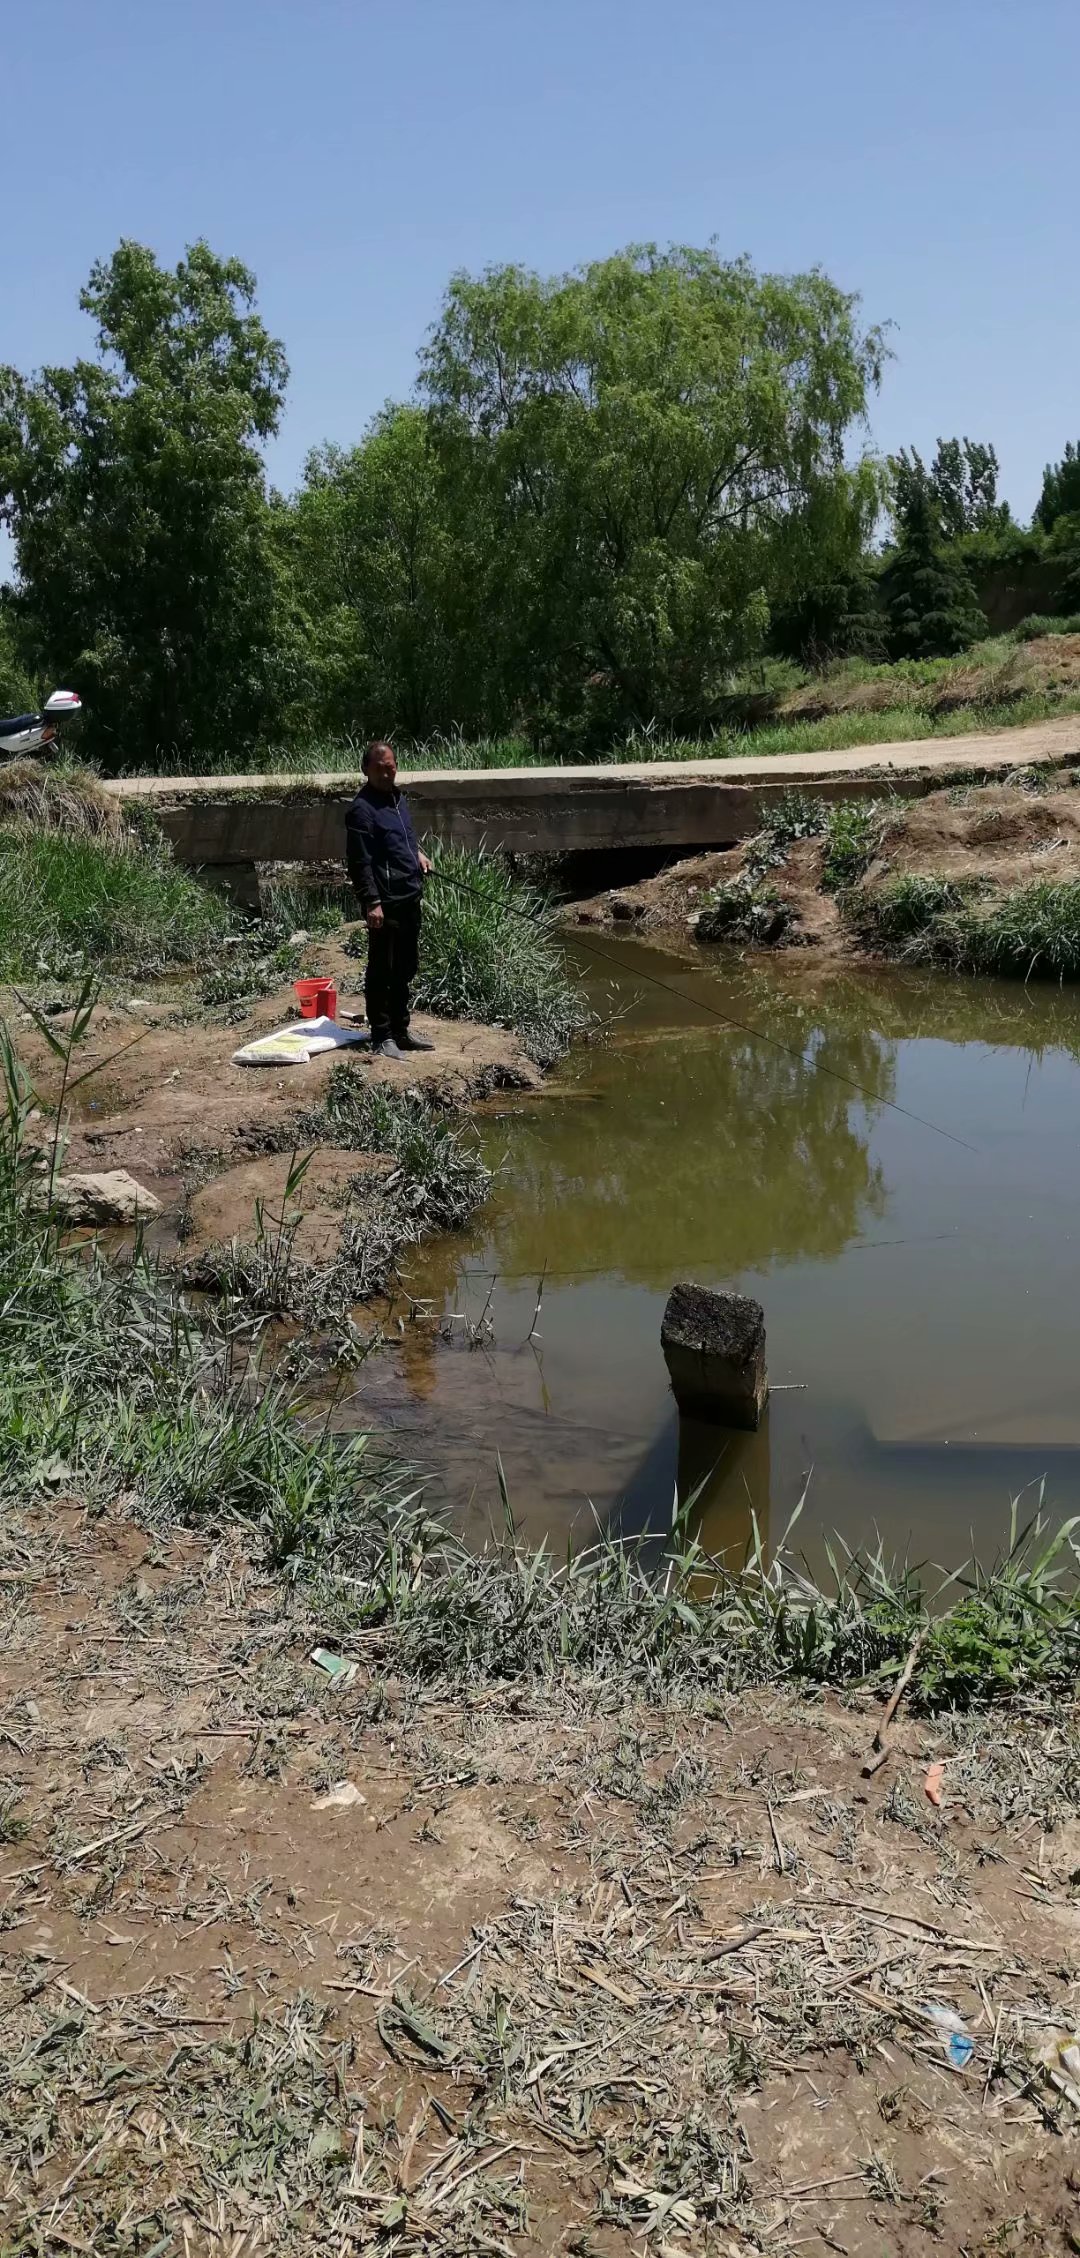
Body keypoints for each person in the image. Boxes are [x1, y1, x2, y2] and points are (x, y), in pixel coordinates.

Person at [345, 740, 435, 1059]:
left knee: (406, 968)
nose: (387, 773)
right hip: (385, 902)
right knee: (382, 970)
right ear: (366, 769)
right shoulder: (361, 809)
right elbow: (360, 862)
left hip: (409, 894)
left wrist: (418, 855)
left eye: (391, 767)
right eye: (380, 768)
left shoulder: (398, 798)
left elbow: (403, 837)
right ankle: (382, 1035)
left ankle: (400, 1030)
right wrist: (372, 902)